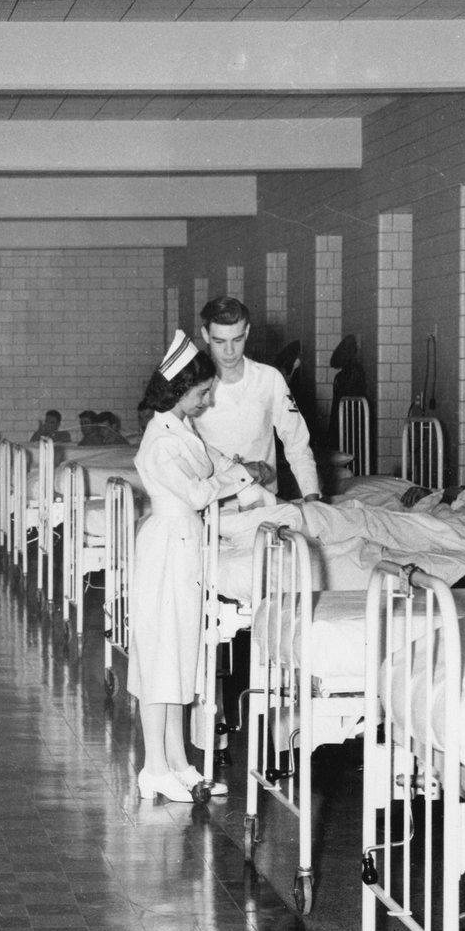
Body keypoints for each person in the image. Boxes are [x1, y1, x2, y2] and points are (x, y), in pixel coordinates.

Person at [129, 330, 256, 803]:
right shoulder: (160, 439)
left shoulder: (180, 428)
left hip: (184, 543)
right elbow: (200, 491)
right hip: (167, 545)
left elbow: (212, 464)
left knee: (181, 654)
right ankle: (153, 767)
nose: (206, 400)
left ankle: (179, 761)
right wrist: (241, 476)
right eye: (201, 392)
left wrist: (236, 468)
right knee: (161, 655)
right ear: (181, 389)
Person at [194, 297, 321, 501]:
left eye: (237, 340)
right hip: (213, 506)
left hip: (265, 502)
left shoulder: (269, 378)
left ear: (247, 332)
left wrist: (312, 498)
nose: (229, 351)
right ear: (205, 335)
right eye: (220, 341)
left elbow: (297, 443)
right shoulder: (193, 386)